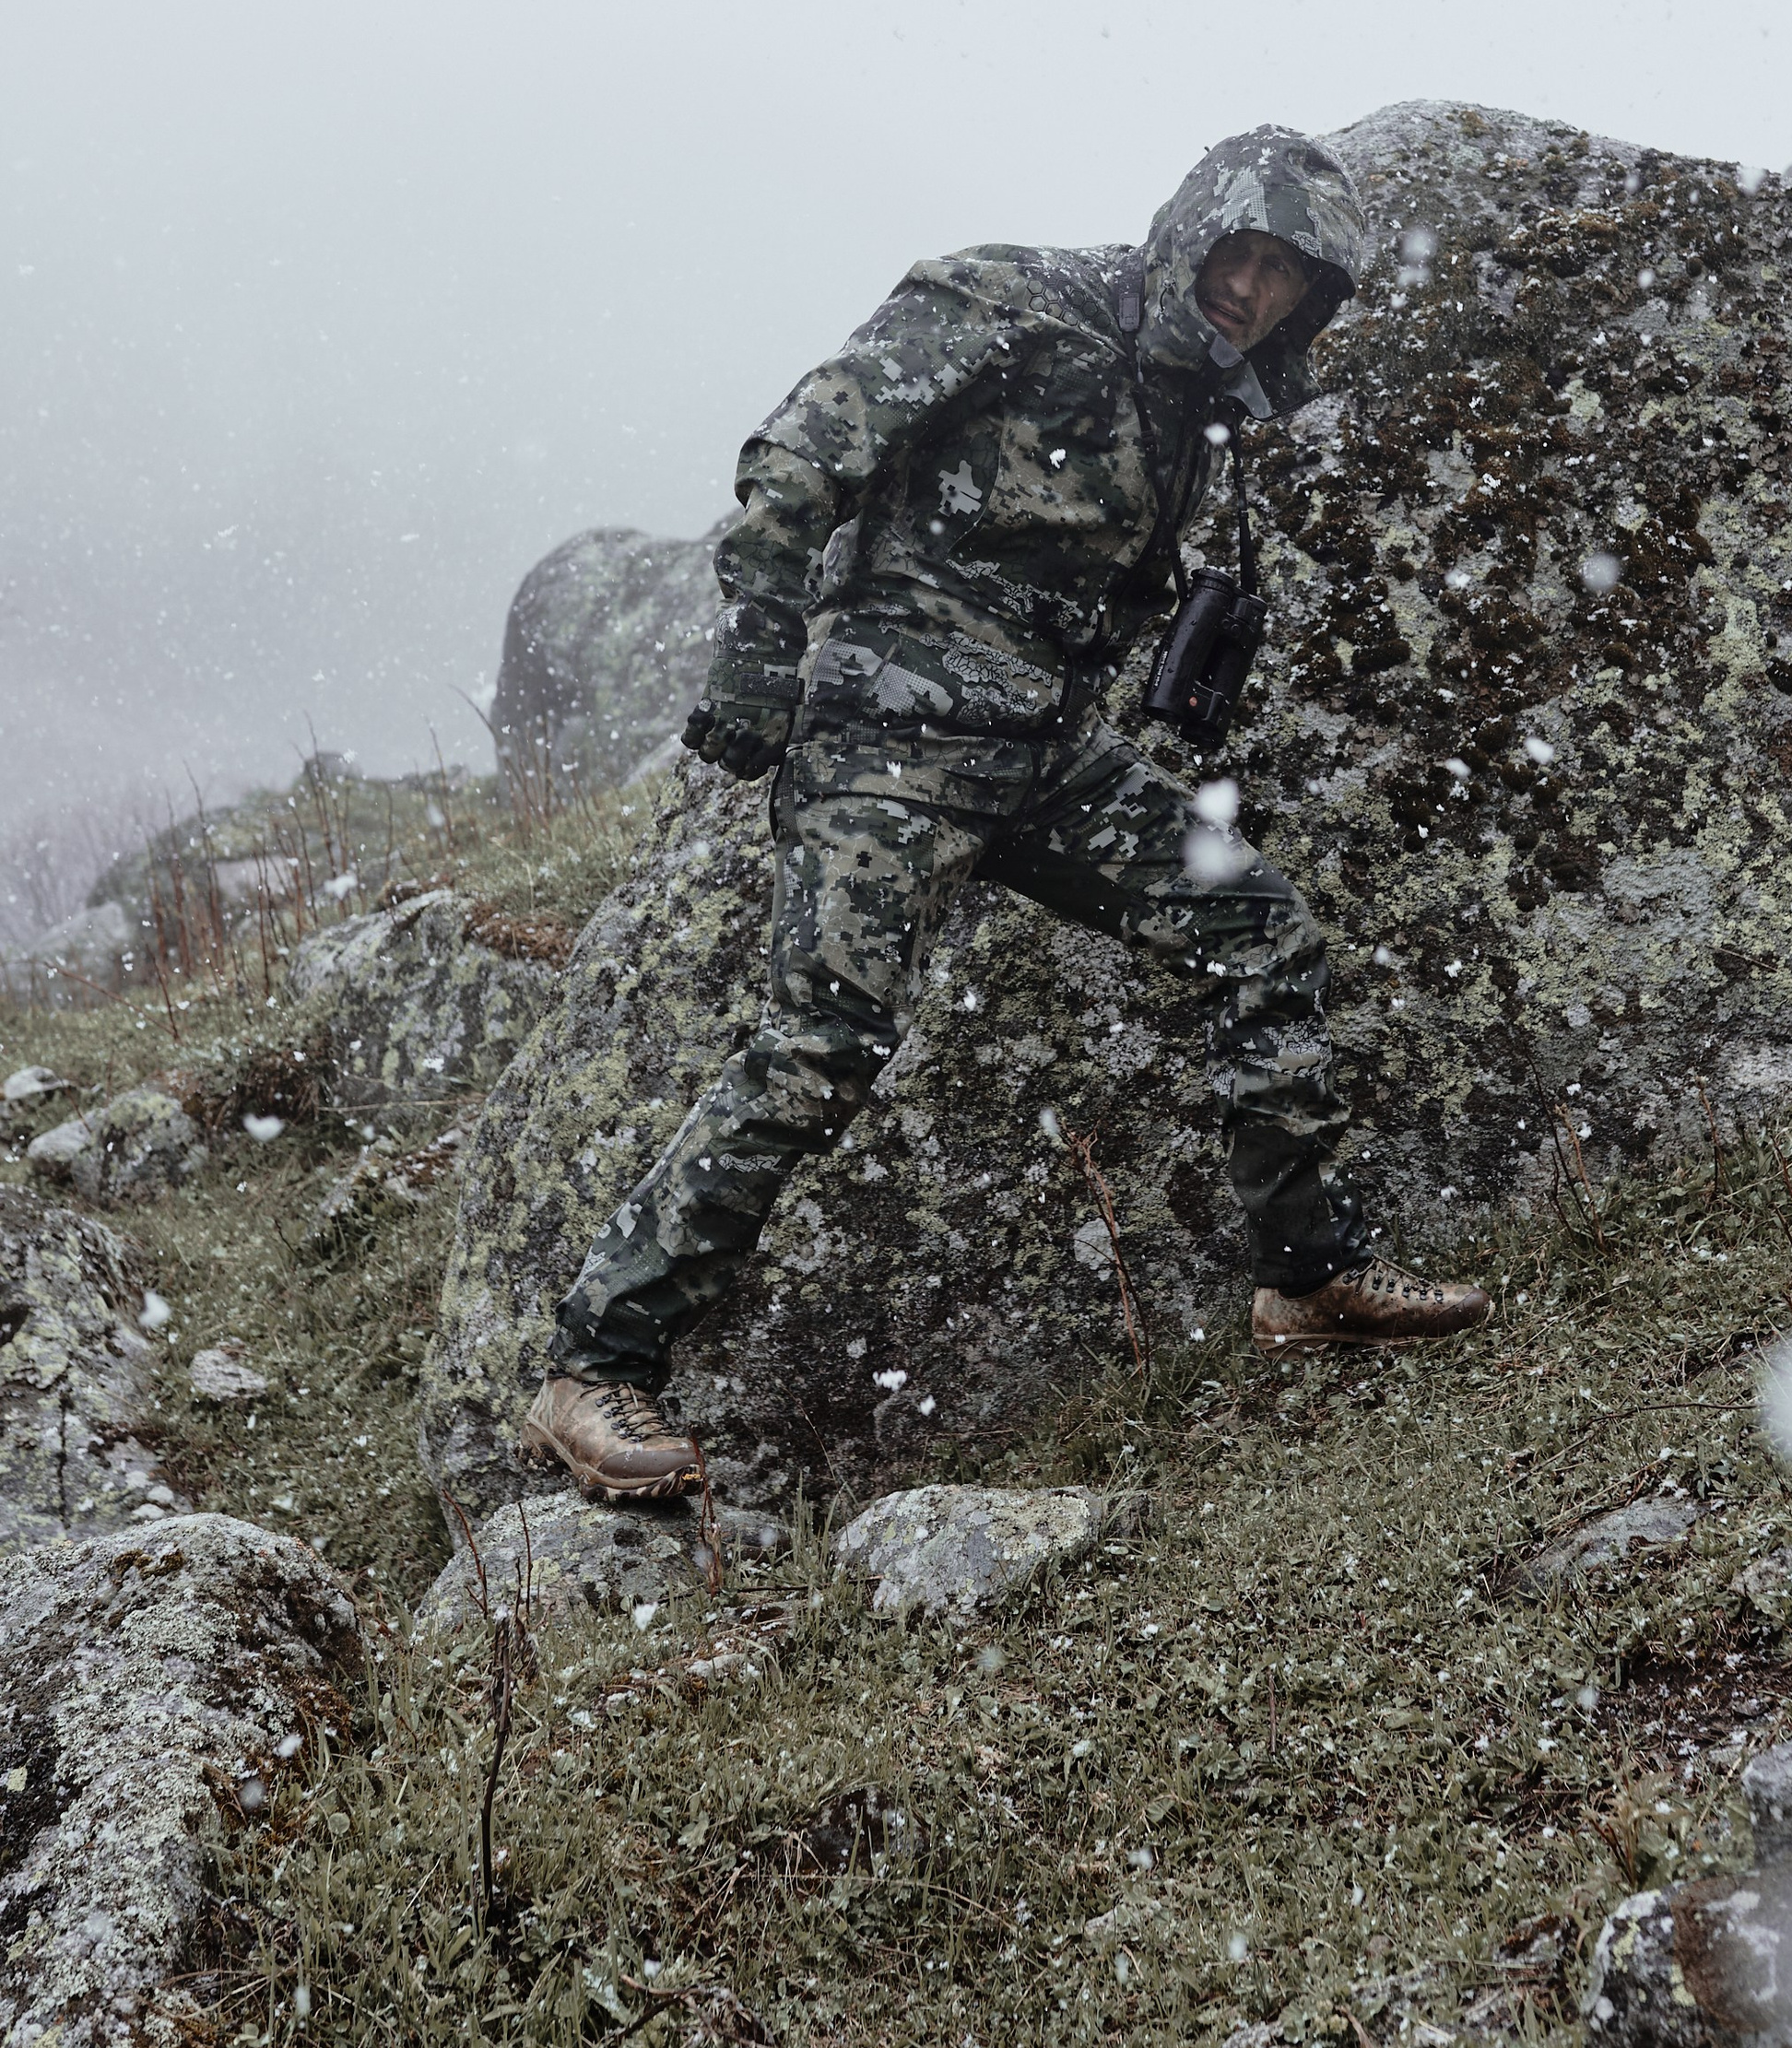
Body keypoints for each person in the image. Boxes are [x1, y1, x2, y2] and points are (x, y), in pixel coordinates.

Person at [523, 124, 1490, 1502]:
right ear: (1190, 229)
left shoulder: (1208, 405)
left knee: (1258, 926)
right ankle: (587, 1367)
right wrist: (758, 646)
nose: (1252, 289)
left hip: (1039, 754)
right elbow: (802, 449)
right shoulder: (1006, 303)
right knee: (824, 1045)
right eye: (1242, 253)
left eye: (1286, 275)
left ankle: (1307, 1281)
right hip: (887, 739)